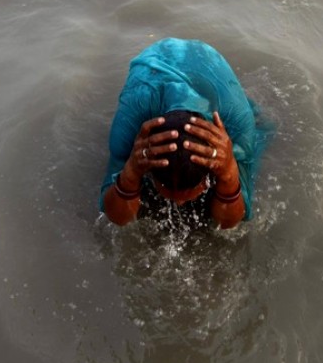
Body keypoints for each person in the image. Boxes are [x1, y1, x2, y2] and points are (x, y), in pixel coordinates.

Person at [100, 38, 272, 229]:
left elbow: (230, 222)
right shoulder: (133, 116)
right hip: (152, 70)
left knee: (258, 134)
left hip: (211, 70)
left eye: (188, 192)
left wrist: (229, 173)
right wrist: (131, 172)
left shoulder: (237, 122)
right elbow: (116, 217)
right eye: (166, 189)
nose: (180, 203)